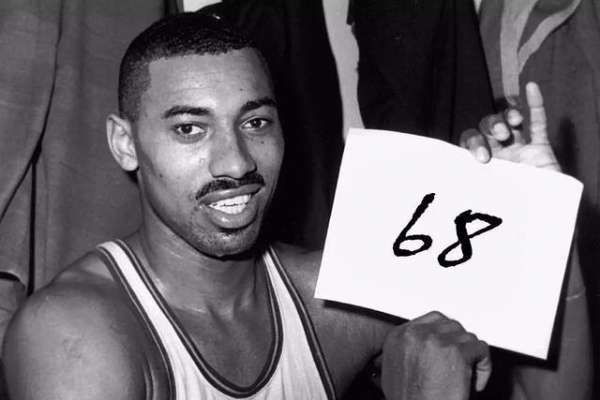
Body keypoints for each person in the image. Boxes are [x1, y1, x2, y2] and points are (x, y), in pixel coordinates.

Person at [2, 13, 586, 400]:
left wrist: (538, 225)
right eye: (189, 129)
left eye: (255, 122)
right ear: (125, 143)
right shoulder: (74, 335)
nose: (235, 162)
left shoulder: (334, 294)